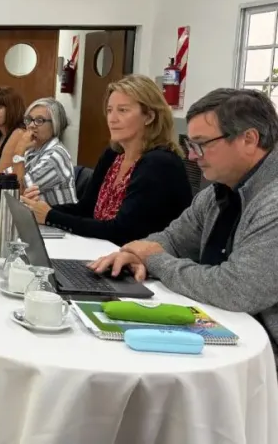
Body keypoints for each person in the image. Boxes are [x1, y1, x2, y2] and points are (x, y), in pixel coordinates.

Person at [90, 89, 278, 357]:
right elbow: (173, 239)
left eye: (201, 144)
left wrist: (154, 259)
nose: (192, 156)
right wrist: (135, 253)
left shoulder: (273, 201)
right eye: (191, 145)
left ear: (249, 139)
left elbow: (238, 290)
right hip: (226, 332)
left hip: (263, 357)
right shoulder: (217, 192)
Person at [19, 75, 191, 246]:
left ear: (149, 117)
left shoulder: (160, 163)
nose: (112, 119)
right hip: (104, 251)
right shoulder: (113, 154)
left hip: (142, 264)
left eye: (122, 110)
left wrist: (50, 216)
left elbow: (122, 231)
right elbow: (86, 209)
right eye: (109, 110)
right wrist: (38, 209)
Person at [13, 98, 77, 206]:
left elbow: (16, 190)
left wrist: (19, 150)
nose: (31, 125)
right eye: (29, 119)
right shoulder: (33, 149)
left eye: (39, 120)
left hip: (55, 221)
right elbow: (7, 178)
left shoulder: (55, 156)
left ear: (55, 125)